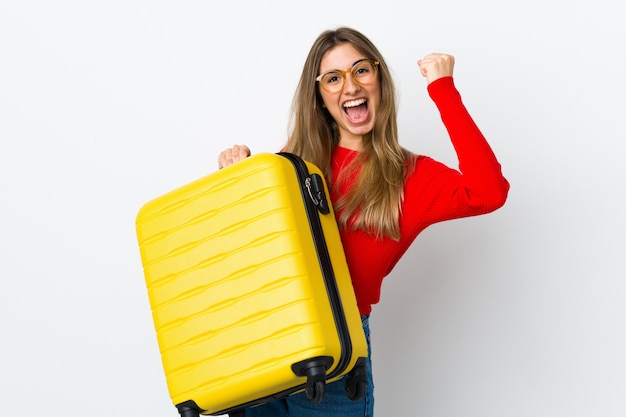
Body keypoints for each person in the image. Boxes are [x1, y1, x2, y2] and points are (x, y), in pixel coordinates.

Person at [217, 27, 509, 417]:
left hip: (336, 357)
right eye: (333, 78)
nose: (349, 86)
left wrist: (443, 89)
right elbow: (255, 253)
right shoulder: (292, 162)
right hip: (265, 343)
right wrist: (237, 183)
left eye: (361, 71)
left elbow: (489, 191)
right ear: (319, 97)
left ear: (380, 80)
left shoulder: (412, 177)